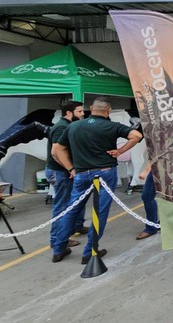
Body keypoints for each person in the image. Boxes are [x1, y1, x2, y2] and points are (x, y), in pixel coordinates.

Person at [50, 96, 143, 264]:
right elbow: (136, 135)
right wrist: (120, 151)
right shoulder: (112, 126)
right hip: (105, 173)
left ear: (91, 108)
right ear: (108, 110)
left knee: (72, 210)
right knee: (99, 212)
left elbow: (57, 150)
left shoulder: (74, 126)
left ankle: (58, 249)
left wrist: (70, 168)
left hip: (80, 174)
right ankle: (89, 252)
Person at [45, 100, 88, 250]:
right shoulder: (62, 127)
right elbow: (55, 152)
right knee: (62, 206)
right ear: (69, 113)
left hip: (63, 171)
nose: (83, 114)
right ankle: (57, 239)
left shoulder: (67, 125)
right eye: (79, 111)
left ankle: (76, 226)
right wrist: (70, 169)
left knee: (76, 200)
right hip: (60, 172)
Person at [135, 162, 159, 240]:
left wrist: (146, 170)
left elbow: (155, 155)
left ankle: (152, 227)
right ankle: (152, 226)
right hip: (158, 167)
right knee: (147, 196)